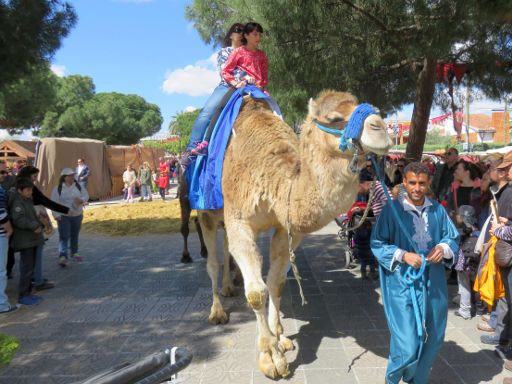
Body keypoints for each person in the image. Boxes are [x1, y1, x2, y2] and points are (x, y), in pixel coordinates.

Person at [371, 162, 459, 384]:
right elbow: (377, 242)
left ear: (428, 183)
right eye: (412, 183)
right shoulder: (392, 212)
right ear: (404, 183)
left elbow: (452, 237)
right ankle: (393, 379)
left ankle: (417, 380)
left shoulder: (437, 210)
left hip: (434, 281)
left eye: (421, 183)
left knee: (435, 336)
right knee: (407, 342)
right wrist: (403, 255)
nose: (417, 188)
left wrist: (443, 248)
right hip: (403, 283)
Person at [184, 23, 245, 159]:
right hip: (227, 86)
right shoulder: (225, 52)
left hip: (246, 87)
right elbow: (224, 71)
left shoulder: (248, 54)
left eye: (244, 31)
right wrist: (238, 80)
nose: (241, 33)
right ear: (231, 35)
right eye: (238, 30)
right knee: (207, 112)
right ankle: (192, 148)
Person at [16, 166, 70, 291]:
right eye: (34, 176)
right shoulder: (29, 189)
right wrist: (65, 210)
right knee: (37, 250)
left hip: (31, 224)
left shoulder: (19, 187)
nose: (35, 179)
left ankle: (34, 277)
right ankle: (37, 281)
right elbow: (45, 201)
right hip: (34, 223)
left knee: (32, 253)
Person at [10, 178, 44, 306]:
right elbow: (19, 219)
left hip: (32, 239)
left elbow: (31, 216)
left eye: (31, 190)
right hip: (25, 240)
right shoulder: (18, 203)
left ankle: (28, 292)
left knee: (31, 267)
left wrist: (39, 222)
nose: (30, 192)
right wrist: (33, 226)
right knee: (27, 269)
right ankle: (23, 295)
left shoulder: (27, 200)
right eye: (28, 190)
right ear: (20, 190)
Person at [51, 168, 89, 267]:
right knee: (64, 236)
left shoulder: (78, 186)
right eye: (69, 176)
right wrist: (56, 215)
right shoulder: (58, 188)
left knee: (74, 234)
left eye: (72, 175)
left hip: (77, 214)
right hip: (64, 216)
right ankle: (63, 255)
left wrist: (82, 200)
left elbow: (86, 195)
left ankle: (74, 252)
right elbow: (53, 202)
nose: (72, 177)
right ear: (64, 177)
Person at [0, 168, 15, 314]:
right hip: (1, 234)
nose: (4, 175)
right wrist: (9, 229)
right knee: (0, 271)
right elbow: (1, 212)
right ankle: (2, 304)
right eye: (1, 172)